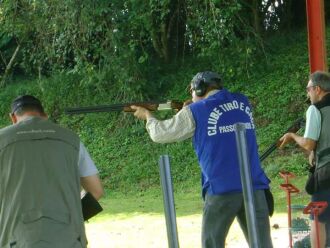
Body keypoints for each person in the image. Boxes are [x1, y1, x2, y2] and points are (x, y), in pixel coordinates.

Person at [131, 71, 273, 248]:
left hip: (222, 189)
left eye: (191, 91)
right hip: (255, 185)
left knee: (211, 244)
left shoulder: (195, 111)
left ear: (198, 89)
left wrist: (148, 116)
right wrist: (187, 109)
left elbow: (161, 133)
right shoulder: (242, 101)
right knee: (262, 245)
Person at [0, 95, 104, 247]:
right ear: (45, 116)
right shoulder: (71, 140)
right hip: (68, 239)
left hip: (16, 240)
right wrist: (71, 217)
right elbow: (96, 191)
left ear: (13, 118)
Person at [279, 71, 330, 248]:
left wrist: (293, 136)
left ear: (317, 89)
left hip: (326, 172)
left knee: (318, 218)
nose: (307, 94)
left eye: (308, 89)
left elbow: (308, 143)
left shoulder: (315, 109)